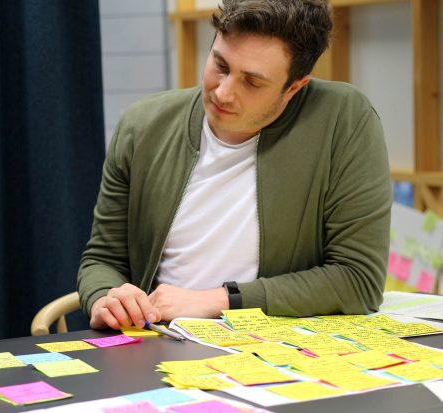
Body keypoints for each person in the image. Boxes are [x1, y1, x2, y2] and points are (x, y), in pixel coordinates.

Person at [78, 0, 391, 331]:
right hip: (156, 341)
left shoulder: (342, 119)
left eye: (252, 82)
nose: (223, 93)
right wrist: (105, 298)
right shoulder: (143, 125)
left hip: (275, 352)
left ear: (294, 87)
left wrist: (219, 301)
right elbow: (102, 260)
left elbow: (358, 279)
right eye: (221, 65)